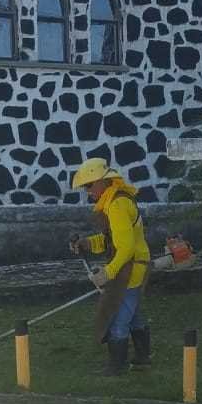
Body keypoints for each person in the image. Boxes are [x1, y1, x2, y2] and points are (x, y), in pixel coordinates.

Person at [70, 158, 151, 376]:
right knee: (132, 314)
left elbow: (125, 248)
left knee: (118, 318)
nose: (87, 192)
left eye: (88, 186)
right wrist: (87, 243)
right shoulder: (114, 200)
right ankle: (143, 357)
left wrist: (108, 273)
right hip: (132, 265)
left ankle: (117, 367)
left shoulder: (116, 204)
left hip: (130, 268)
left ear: (102, 182)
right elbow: (111, 241)